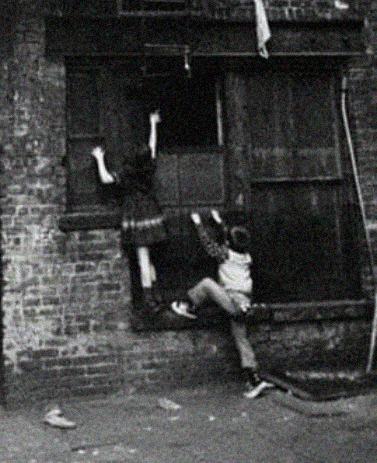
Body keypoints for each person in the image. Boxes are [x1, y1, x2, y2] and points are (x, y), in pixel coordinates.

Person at [171, 209, 271, 398]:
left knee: (207, 284)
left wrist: (198, 223)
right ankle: (254, 379)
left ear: (227, 244)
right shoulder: (245, 256)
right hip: (244, 304)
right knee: (241, 339)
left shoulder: (224, 254)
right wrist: (219, 222)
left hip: (233, 301)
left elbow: (208, 244)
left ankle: (188, 305)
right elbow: (230, 237)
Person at [92, 110, 167, 312]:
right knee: (148, 257)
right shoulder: (148, 167)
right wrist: (153, 125)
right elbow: (152, 147)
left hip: (136, 214)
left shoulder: (127, 174)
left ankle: (149, 300)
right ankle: (156, 295)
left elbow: (106, 179)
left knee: (143, 257)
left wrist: (99, 158)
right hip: (150, 212)